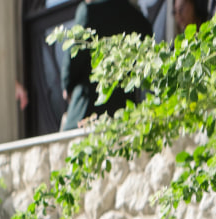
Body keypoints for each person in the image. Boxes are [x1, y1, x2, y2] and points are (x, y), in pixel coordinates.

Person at [60, 0, 153, 131]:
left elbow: (75, 54)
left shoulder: (89, 11)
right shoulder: (137, 19)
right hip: (124, 113)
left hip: (88, 110)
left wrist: (67, 85)